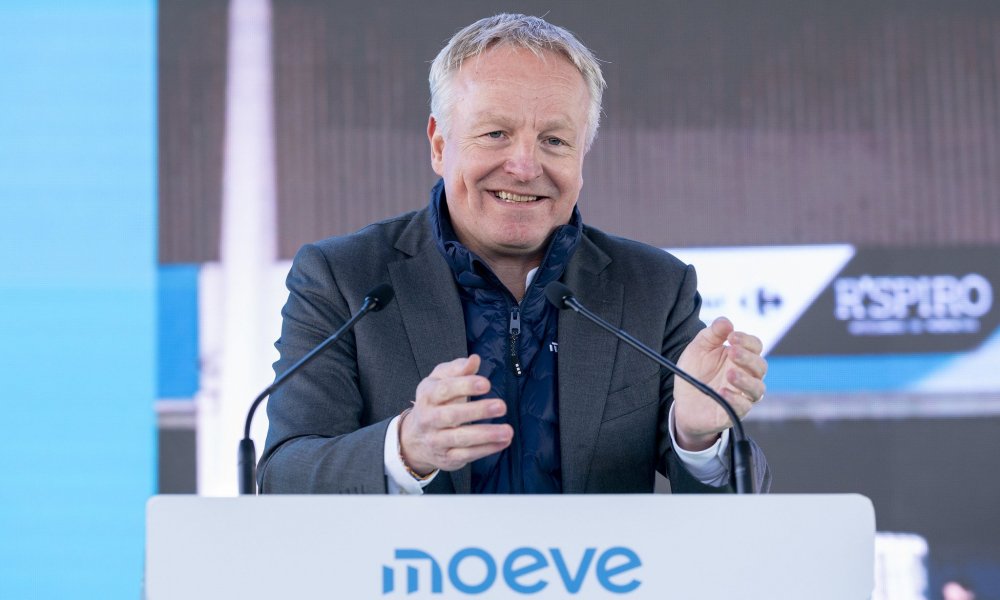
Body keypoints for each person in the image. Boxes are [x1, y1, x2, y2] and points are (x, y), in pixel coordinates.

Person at [258, 13, 771, 494]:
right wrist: (407, 447)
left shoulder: (654, 287)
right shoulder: (343, 278)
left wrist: (698, 438)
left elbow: (742, 498)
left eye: (554, 140)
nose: (525, 166)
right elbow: (284, 475)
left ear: (582, 155)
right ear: (439, 145)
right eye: (495, 134)